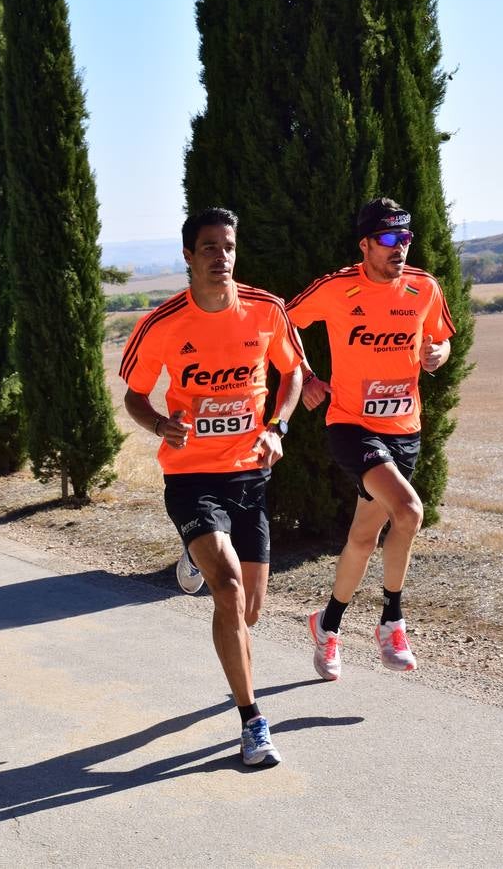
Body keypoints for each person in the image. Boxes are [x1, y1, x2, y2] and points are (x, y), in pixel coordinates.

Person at [118, 207, 303, 767]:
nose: (220, 257)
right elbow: (134, 395)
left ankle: (198, 557)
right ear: (188, 257)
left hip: (251, 472)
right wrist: (159, 425)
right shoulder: (162, 324)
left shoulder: (267, 311)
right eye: (208, 248)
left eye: (228, 246)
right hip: (192, 475)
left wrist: (278, 427)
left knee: (248, 611)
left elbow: (292, 372)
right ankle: (253, 721)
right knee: (227, 590)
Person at [286, 197, 455, 681]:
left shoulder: (424, 288)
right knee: (410, 511)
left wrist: (438, 353)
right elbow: (280, 323)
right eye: (387, 239)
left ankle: (327, 624)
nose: (398, 247)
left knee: (362, 538)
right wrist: (308, 376)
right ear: (365, 244)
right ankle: (391, 621)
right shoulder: (337, 288)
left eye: (405, 238)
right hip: (351, 424)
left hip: (405, 430)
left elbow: (441, 337)